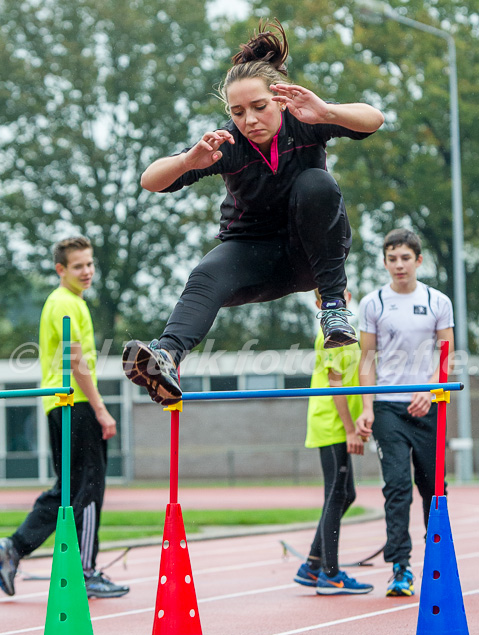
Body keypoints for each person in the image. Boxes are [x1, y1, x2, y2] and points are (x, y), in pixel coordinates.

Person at [122, 19, 384, 404]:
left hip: (314, 253)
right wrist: (187, 161)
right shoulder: (227, 144)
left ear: (278, 99)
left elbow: (374, 119)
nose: (250, 120)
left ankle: (333, 308)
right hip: (255, 257)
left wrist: (326, 111)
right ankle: (166, 357)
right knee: (206, 272)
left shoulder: (306, 121)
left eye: (259, 107)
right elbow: (150, 180)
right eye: (239, 112)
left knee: (317, 183)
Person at [0, 236, 129, 599]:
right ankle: (85, 570)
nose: (87, 271)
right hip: (72, 403)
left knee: (68, 489)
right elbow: (77, 362)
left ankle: (12, 548)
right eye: (78, 266)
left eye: (89, 264)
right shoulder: (66, 304)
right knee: (89, 487)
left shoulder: (66, 302)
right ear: (61, 270)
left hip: (61, 403)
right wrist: (102, 410)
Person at [356, 229, 454, 597]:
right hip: (387, 407)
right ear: (384, 262)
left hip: (429, 406)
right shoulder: (373, 303)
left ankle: (438, 564)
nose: (399, 265)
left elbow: (446, 358)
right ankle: (400, 567)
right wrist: (366, 407)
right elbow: (366, 360)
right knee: (397, 486)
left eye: (405, 258)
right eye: (392, 258)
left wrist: (431, 392)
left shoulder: (437, 301)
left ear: (418, 261)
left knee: (433, 489)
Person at [294, 290, 373, 595]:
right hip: (331, 422)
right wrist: (351, 429)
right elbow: (335, 386)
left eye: (341, 296)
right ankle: (330, 574)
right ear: (318, 306)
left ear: (348, 297)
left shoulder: (349, 334)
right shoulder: (328, 337)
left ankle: (313, 564)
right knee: (338, 493)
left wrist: (362, 419)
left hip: (343, 424)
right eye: (327, 300)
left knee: (345, 493)